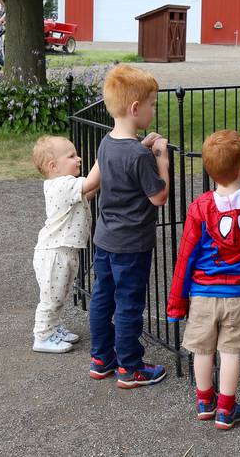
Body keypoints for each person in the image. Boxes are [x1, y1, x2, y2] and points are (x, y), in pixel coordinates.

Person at [166, 129, 240, 430]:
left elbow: (186, 257)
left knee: (202, 350)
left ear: (208, 170)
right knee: (230, 352)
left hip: (203, 294)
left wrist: (176, 303)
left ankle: (204, 402)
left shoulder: (199, 208)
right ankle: (226, 409)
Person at [88, 64, 170, 388]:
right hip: (132, 245)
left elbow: (123, 165)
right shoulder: (140, 157)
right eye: (152, 105)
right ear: (136, 109)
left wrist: (144, 145)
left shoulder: (107, 143)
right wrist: (161, 158)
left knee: (102, 297)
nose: (153, 111)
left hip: (105, 239)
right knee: (129, 303)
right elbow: (158, 197)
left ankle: (101, 358)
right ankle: (130, 367)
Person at [31, 136, 101, 353]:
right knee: (51, 298)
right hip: (55, 253)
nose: (78, 158)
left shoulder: (65, 185)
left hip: (63, 251)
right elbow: (89, 184)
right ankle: (42, 336)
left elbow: (89, 192)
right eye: (71, 156)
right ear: (54, 167)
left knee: (59, 294)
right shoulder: (61, 185)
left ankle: (52, 328)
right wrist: (105, 155)